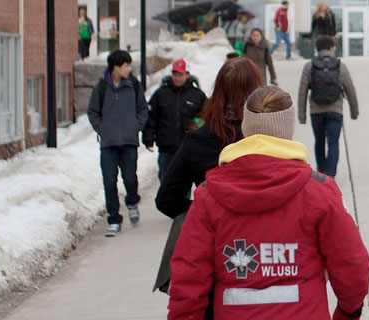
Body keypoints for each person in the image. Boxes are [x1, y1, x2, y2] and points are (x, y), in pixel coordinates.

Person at [168, 86, 369, 320]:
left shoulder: (209, 195)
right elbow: (351, 265)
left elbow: (188, 276)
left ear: (247, 128)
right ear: (288, 130)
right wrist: (348, 312)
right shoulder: (318, 191)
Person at [153, 59, 264, 318]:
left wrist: (204, 213)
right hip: (266, 247)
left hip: (214, 250)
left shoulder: (199, 139)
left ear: (219, 91)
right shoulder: (266, 140)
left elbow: (167, 199)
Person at [87, 50, 149, 237]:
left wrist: (136, 126)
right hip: (109, 143)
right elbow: (92, 112)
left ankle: (132, 202)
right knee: (109, 181)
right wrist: (102, 129)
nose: (128, 69)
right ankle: (114, 219)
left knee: (130, 178)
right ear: (115, 67)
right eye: (125, 66)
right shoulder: (101, 87)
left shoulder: (134, 85)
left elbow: (143, 109)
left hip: (129, 141)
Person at [298, 35, 358, 178]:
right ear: (332, 48)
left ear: (317, 48)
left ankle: (321, 171)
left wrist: (302, 115)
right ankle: (330, 174)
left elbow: (302, 91)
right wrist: (354, 111)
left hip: (316, 110)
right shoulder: (340, 65)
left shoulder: (309, 66)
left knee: (319, 141)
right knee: (333, 142)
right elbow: (350, 89)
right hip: (335, 110)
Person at [142, 59, 207, 180]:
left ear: (187, 75)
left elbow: (206, 118)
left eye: (180, 75)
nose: (177, 78)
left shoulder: (198, 95)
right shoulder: (160, 94)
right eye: (175, 74)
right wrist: (148, 139)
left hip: (188, 148)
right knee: (165, 181)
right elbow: (151, 118)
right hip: (166, 148)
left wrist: (194, 123)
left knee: (184, 182)